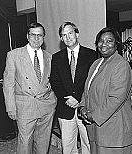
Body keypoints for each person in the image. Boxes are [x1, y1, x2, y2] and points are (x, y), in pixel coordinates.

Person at [3, 22, 57, 154]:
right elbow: (8, 83)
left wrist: (53, 100)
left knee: (44, 141)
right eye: (33, 35)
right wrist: (11, 107)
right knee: (25, 142)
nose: (36, 38)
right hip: (25, 106)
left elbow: (53, 81)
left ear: (44, 37)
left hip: (46, 105)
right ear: (27, 36)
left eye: (40, 35)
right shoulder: (14, 55)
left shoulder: (49, 57)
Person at [79, 27, 132, 154]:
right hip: (96, 129)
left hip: (114, 133)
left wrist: (92, 116)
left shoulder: (121, 65)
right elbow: (86, 90)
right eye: (101, 40)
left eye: (109, 41)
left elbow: (115, 99)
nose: (104, 44)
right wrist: (82, 108)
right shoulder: (96, 64)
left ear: (117, 45)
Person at [50, 21, 98, 154]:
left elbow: (92, 81)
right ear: (61, 38)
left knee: (88, 144)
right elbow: (55, 81)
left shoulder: (92, 55)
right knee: (68, 146)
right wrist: (68, 99)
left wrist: (77, 99)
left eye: (70, 33)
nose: (68, 37)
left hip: (85, 107)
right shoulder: (56, 58)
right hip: (65, 108)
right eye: (64, 35)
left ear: (77, 34)